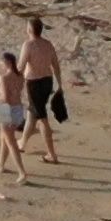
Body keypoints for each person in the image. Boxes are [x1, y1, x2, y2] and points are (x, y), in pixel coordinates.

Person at [19, 15, 66, 164]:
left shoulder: (28, 45)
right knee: (32, 112)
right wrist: (59, 85)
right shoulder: (48, 44)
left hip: (34, 83)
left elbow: (20, 67)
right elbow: (56, 66)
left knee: (42, 118)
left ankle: (51, 154)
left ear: (30, 29)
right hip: (47, 81)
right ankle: (22, 142)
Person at [0, 48, 31, 183]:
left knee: (11, 142)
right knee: (4, 137)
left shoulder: (4, 77)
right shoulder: (20, 76)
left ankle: (22, 172)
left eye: (2, 62)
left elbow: (6, 99)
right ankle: (1, 164)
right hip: (18, 109)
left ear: (6, 62)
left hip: (8, 110)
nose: (0, 65)